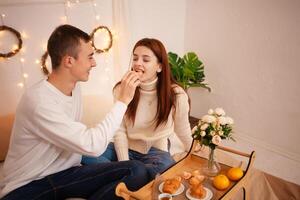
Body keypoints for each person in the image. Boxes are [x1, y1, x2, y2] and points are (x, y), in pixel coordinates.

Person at [0, 24, 149, 200]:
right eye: (90, 57)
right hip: (27, 186)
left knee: (136, 170)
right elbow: (92, 145)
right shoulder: (39, 101)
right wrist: (123, 101)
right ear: (69, 61)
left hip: (66, 172)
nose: (94, 63)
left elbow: (83, 142)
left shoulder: (74, 88)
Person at [82, 38, 193, 179]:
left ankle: (119, 174)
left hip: (156, 152)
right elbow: (119, 130)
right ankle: (131, 175)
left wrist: (194, 153)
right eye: (135, 58)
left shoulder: (176, 94)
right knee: (81, 153)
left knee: (164, 168)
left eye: (145, 60)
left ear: (159, 66)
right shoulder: (120, 89)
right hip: (125, 149)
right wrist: (125, 165)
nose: (137, 63)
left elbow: (182, 129)